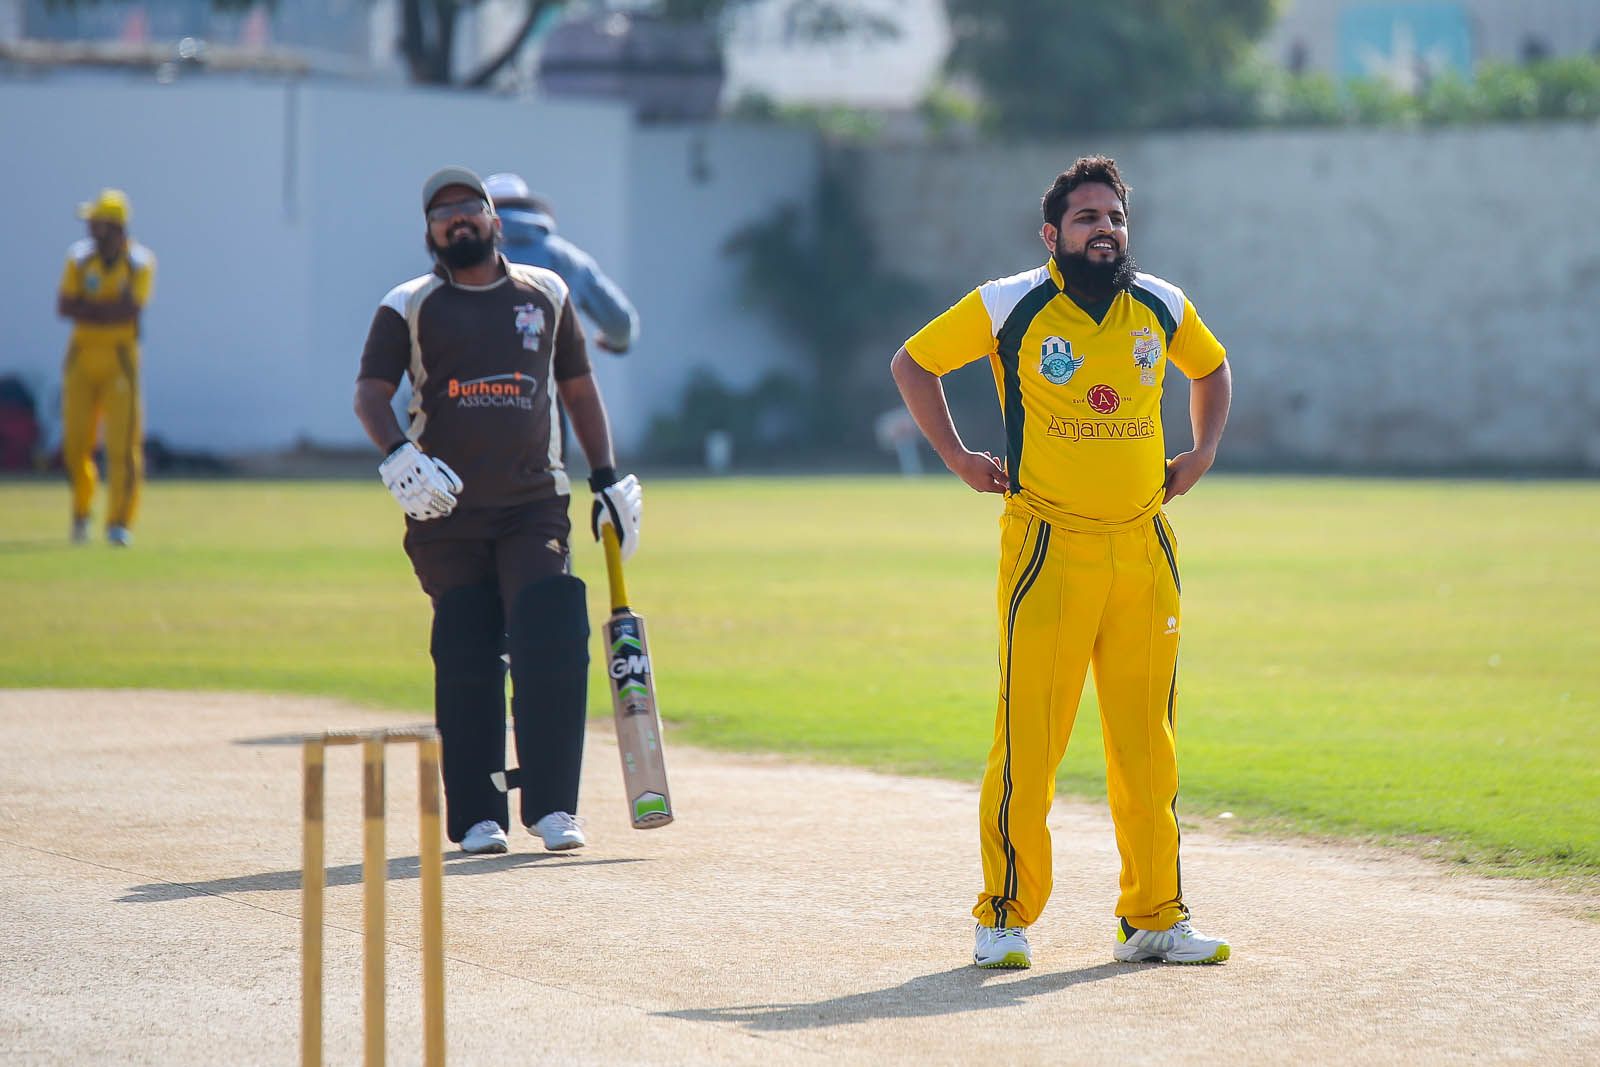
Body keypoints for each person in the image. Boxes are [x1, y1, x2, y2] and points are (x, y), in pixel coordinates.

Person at [889, 156, 1234, 970]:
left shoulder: (1162, 305)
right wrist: (958, 456)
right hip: (1048, 547)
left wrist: (1202, 451)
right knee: (1030, 741)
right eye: (1086, 218)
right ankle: (1003, 915)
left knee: (1147, 743)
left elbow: (1212, 368)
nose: (1104, 229)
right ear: (1052, 235)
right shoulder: (1009, 303)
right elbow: (913, 363)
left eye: (1114, 217)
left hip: (1143, 548)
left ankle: (1153, 915)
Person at [354, 166, 643, 855]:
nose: (457, 220)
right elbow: (370, 393)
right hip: (445, 508)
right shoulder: (409, 303)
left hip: (533, 501)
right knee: (467, 648)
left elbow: (579, 388)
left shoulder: (546, 293)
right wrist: (397, 454)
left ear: (494, 220)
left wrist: (605, 478)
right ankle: (479, 814)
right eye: (442, 214)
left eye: (468, 208)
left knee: (551, 632)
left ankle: (553, 806)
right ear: (429, 232)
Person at [56, 189, 156, 546]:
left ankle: (119, 522)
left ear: (114, 227)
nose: (89, 228)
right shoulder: (79, 258)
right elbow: (65, 306)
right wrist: (106, 310)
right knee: (75, 445)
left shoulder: (139, 262)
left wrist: (91, 309)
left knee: (121, 447)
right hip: (82, 356)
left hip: (119, 358)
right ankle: (81, 513)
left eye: (96, 223)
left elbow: (130, 310)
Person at [483, 172, 639, 354]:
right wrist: (615, 342)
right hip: (551, 366)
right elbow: (620, 325)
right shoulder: (568, 258)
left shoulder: (465, 254)